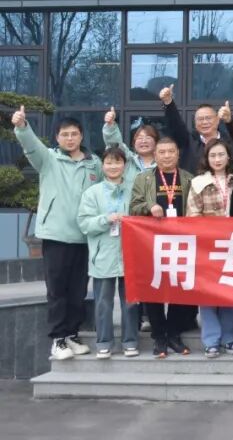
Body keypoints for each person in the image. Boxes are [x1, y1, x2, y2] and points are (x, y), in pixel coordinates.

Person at [11, 108, 101, 361]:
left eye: (74, 134)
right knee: (57, 290)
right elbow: (31, 145)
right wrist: (22, 126)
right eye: (65, 134)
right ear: (57, 138)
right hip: (56, 236)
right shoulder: (48, 159)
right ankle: (58, 340)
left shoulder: (94, 164)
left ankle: (72, 335)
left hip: (84, 236)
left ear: (81, 136)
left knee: (78, 290)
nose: (70, 138)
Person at [130, 135, 194, 358]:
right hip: (152, 243)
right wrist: (150, 206)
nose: (167, 156)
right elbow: (133, 207)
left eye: (171, 152)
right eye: (162, 152)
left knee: (178, 288)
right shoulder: (144, 178)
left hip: (181, 242)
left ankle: (174, 334)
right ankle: (159, 336)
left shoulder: (188, 178)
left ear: (178, 154)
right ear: (155, 155)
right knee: (154, 287)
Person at [76, 147, 138, 359]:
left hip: (130, 254)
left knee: (131, 302)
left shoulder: (133, 189)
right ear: (102, 166)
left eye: (117, 162)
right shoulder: (92, 193)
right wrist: (106, 219)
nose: (113, 166)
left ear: (124, 165)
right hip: (103, 255)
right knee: (103, 303)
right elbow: (84, 224)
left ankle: (130, 341)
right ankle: (103, 342)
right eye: (109, 162)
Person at [186, 139, 233, 358]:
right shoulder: (198, 182)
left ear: (228, 156)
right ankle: (211, 341)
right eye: (213, 156)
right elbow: (193, 215)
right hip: (207, 246)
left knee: (229, 292)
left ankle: (230, 338)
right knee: (208, 294)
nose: (217, 159)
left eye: (221, 155)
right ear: (207, 159)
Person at [158, 83, 233, 174]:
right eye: (200, 119)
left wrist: (230, 121)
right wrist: (168, 103)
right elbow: (176, 125)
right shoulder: (189, 141)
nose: (204, 122)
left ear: (217, 120)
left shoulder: (230, 142)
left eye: (208, 118)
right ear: (195, 123)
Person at [102, 106, 158, 186]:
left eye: (148, 138)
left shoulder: (163, 164)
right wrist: (111, 126)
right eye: (140, 138)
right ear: (134, 143)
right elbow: (114, 144)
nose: (143, 141)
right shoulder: (128, 160)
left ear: (156, 142)